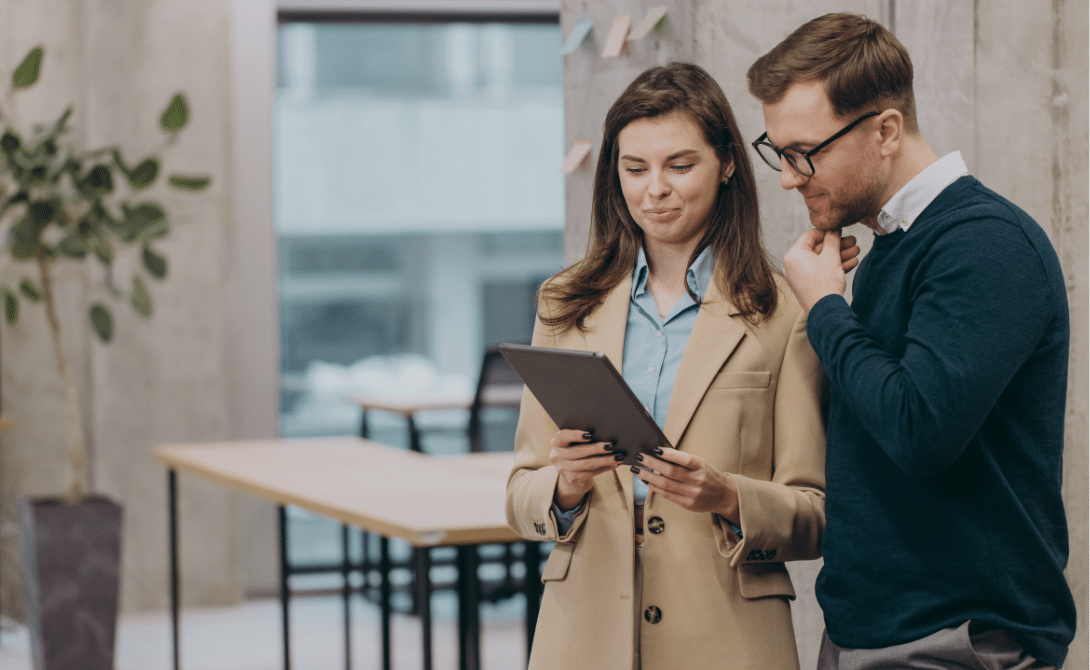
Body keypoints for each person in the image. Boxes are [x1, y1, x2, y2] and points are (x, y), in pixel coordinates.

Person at [746, 13, 1075, 670]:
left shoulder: (984, 244)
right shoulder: (891, 249)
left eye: (804, 152)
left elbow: (919, 429)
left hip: (957, 638)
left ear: (886, 131)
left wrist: (826, 310)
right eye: (778, 152)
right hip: (870, 628)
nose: (788, 176)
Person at [506, 62, 854, 670]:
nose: (654, 190)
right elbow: (520, 493)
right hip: (583, 636)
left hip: (729, 636)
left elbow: (817, 514)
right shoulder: (566, 304)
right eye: (634, 169)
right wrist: (564, 486)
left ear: (725, 165)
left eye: (679, 165)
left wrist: (727, 495)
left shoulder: (784, 310)